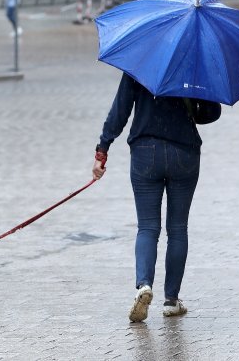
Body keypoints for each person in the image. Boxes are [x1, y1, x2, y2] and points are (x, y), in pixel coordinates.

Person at [92, 73, 221, 322]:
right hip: (184, 152)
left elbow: (120, 109)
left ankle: (144, 286)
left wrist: (102, 150)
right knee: (178, 228)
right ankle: (172, 300)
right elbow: (210, 113)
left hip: (145, 151)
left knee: (148, 227)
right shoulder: (195, 64)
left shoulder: (140, 61)